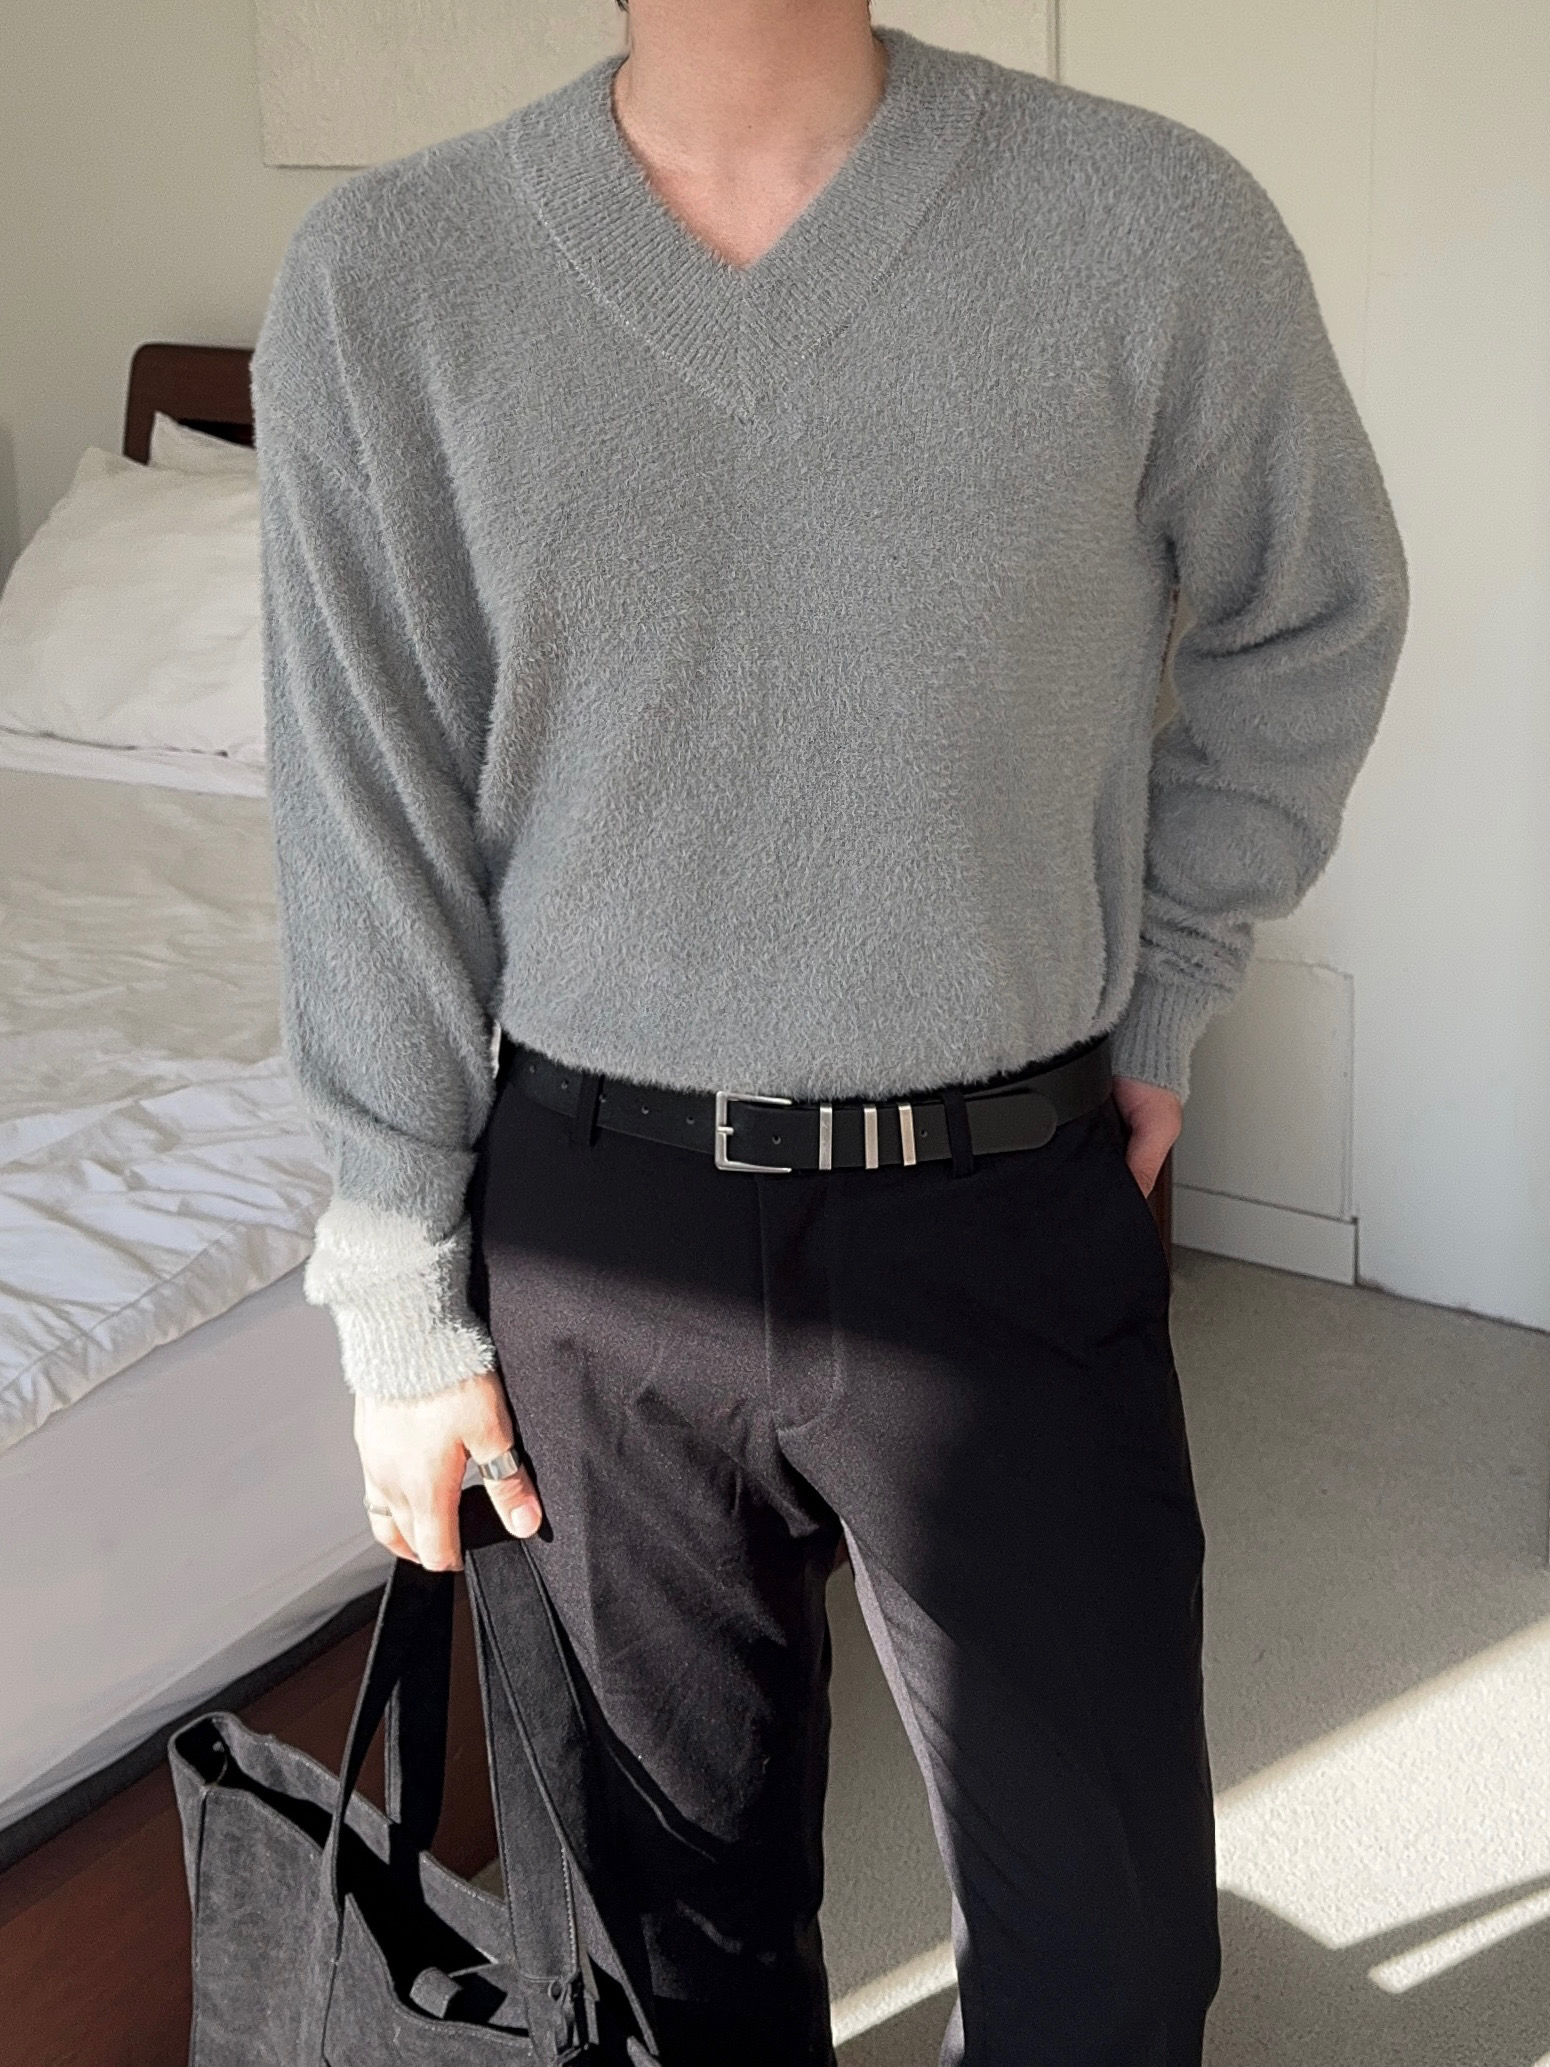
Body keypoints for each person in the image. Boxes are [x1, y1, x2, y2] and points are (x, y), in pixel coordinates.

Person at [250, 1, 1409, 2060]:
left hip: (999, 1198)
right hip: (591, 1232)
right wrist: (399, 1308)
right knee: (669, 1960)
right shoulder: (390, 278)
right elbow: (369, 820)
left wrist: (1167, 978)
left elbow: (1308, 610)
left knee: (1110, 1957)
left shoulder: (1148, 222)